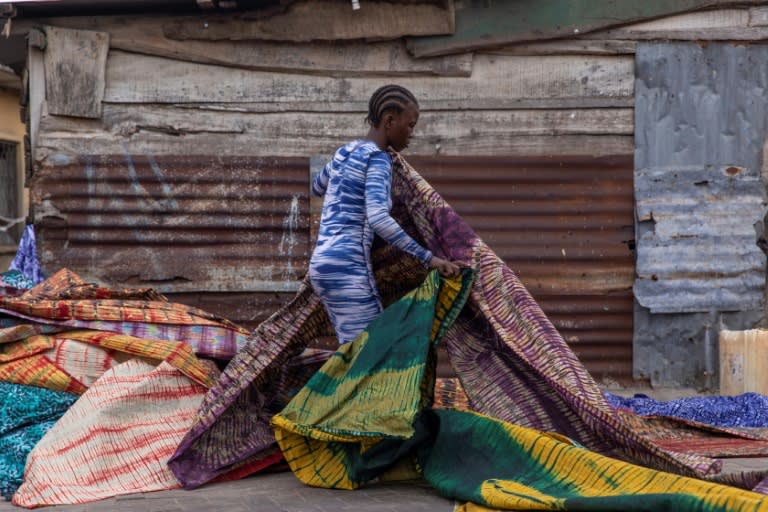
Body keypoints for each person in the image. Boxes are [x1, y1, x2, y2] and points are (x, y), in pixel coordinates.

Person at [309, 84, 460, 345]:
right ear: (389, 120)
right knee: (370, 352)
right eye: (410, 125)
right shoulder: (378, 160)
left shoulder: (344, 152)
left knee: (350, 351)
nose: (411, 134)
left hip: (322, 267)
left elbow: (317, 186)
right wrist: (428, 258)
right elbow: (378, 218)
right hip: (348, 267)